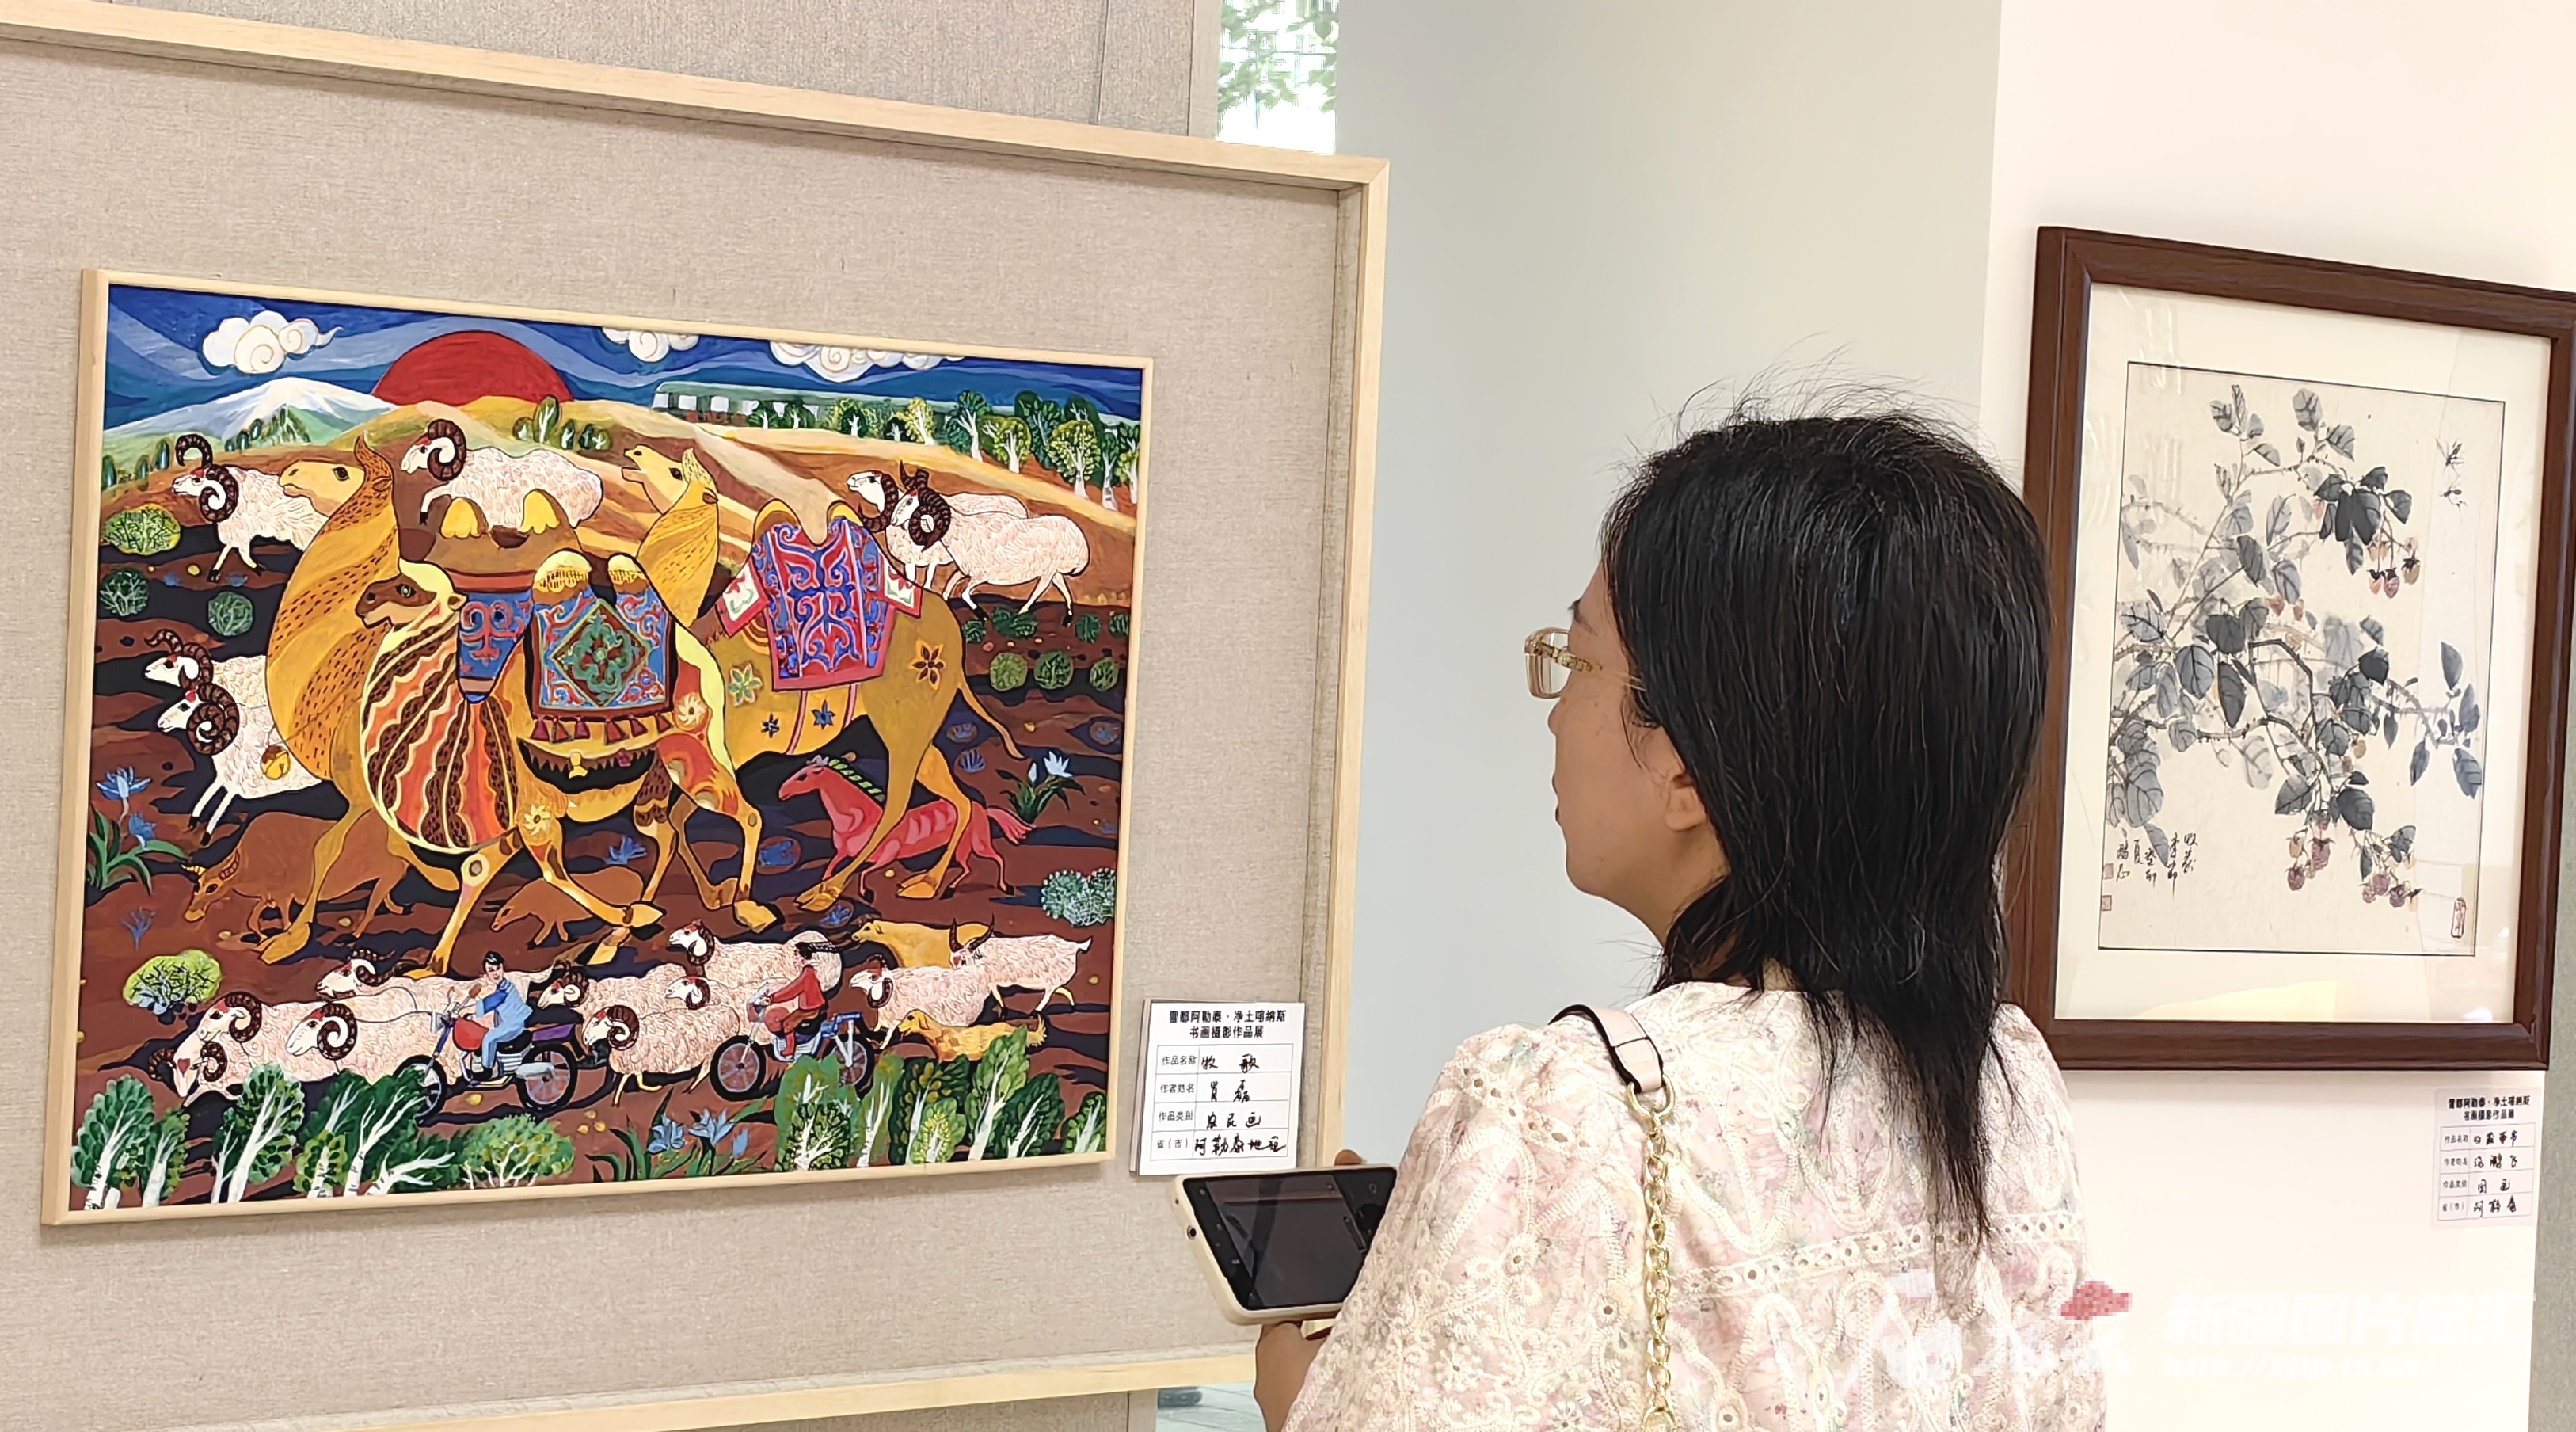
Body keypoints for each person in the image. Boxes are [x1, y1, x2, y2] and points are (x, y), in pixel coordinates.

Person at [1258, 408, 2104, 1430]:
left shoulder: (1560, 1109)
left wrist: (1303, 1393)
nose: (1554, 712)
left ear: (1686, 766)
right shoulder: (2004, 1081)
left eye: (1577, 662)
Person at [759, 946, 826, 1055]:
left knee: (787, 1024)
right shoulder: (808, 972)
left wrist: (773, 998)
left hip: (811, 1010)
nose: (794, 960)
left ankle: (790, 1050)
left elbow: (792, 990)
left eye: (796, 956)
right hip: (809, 1008)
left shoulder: (807, 975)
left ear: (803, 958)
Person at [470, 951, 529, 1076]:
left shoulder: (504, 990)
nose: (496, 973)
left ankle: (487, 1071)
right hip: (512, 1022)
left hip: (514, 1024)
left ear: (503, 968)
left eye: (498, 968)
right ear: (487, 973)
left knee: (489, 1039)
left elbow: (488, 1004)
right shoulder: (502, 987)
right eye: (491, 970)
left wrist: (470, 1009)